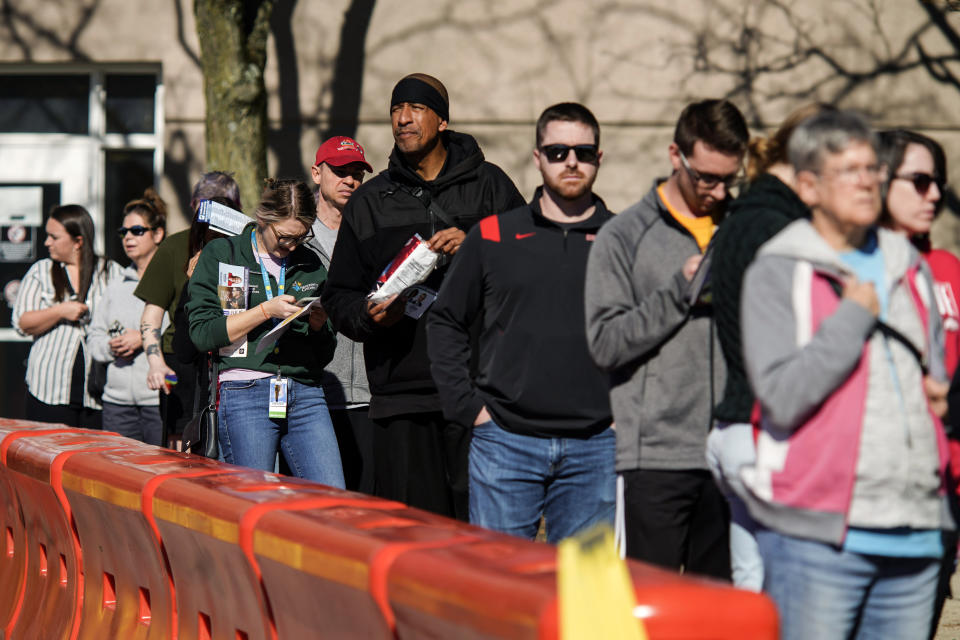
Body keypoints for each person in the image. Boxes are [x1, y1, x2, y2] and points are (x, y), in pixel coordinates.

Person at [740, 110, 952, 640]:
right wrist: (852, 317)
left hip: (916, 528)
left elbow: (934, 374)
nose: (867, 180)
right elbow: (782, 396)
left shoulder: (911, 264)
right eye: (849, 170)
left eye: (872, 169)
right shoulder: (780, 267)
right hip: (819, 535)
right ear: (808, 185)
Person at [321, 73, 524, 518]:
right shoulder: (370, 201)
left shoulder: (490, 186)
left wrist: (476, 240)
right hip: (402, 400)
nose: (403, 119)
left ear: (442, 121)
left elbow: (531, 261)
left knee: (486, 542)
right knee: (413, 544)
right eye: (395, 109)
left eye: (415, 108)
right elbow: (339, 296)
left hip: (482, 393)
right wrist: (369, 316)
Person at [428, 103, 615, 543]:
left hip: (596, 445)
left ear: (598, 159)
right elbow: (446, 321)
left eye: (583, 152)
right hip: (504, 440)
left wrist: (624, 417)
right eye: (557, 151)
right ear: (538, 158)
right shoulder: (494, 236)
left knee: (585, 594)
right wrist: (470, 409)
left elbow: (648, 333)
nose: (571, 161)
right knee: (497, 589)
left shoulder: (621, 239)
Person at [584, 99, 748, 579]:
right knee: (649, 609)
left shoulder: (744, 228)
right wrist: (680, 291)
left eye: (729, 180)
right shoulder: (624, 235)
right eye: (706, 178)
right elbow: (605, 342)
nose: (718, 192)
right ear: (676, 155)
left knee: (719, 615)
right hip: (655, 455)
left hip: (734, 451)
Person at [706, 103, 830, 590]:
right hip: (768, 432)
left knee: (752, 585)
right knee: (787, 592)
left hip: (738, 426)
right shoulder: (781, 229)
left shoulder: (745, 216)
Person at [187, 178, 343, 486]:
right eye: (284, 237)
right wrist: (264, 311)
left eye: (301, 237)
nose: (291, 247)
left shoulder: (310, 263)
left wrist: (317, 324)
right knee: (254, 497)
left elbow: (325, 352)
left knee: (333, 495)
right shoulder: (223, 254)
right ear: (263, 220)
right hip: (245, 390)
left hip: (305, 392)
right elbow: (203, 334)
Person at [875, 128, 960, 635]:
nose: (935, 194)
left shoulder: (949, 268)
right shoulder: (853, 269)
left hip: (945, 487)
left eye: (940, 182)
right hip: (878, 489)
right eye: (921, 180)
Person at [137, 171, 241, 446]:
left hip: (229, 360)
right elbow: (152, 313)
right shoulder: (174, 246)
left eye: (225, 206)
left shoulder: (244, 248)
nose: (216, 211)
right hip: (182, 362)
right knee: (182, 444)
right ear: (195, 205)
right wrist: (155, 361)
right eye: (207, 203)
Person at [303, 135, 375, 492]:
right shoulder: (293, 240)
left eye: (357, 174)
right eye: (340, 171)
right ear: (317, 173)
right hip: (309, 397)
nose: (350, 180)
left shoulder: (373, 237)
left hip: (366, 394)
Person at [13, 204, 123, 428]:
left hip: (97, 395)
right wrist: (60, 311)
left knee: (90, 461)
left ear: (78, 241)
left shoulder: (111, 272)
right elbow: (22, 322)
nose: (47, 242)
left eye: (54, 237)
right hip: (48, 392)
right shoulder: (41, 271)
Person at [88, 188, 167, 444]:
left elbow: (182, 333)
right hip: (116, 404)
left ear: (158, 234)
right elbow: (95, 337)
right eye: (124, 232)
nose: (128, 238)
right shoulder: (116, 284)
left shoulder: (174, 280)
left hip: (159, 400)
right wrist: (110, 348)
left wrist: (142, 339)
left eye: (137, 231)